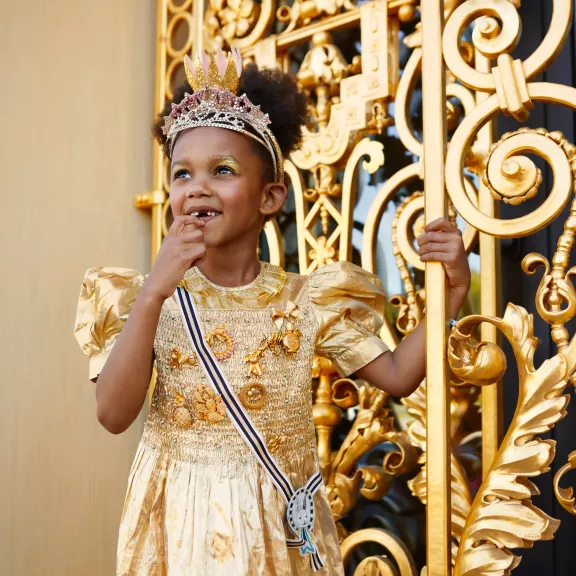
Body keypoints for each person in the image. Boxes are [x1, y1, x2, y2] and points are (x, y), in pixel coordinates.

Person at [74, 48, 471, 576]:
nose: (197, 187)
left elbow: (398, 377)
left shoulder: (309, 299)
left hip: (277, 524)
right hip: (182, 525)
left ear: (270, 196)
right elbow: (113, 414)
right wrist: (153, 295)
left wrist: (452, 291)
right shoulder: (149, 298)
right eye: (182, 174)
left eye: (222, 170)